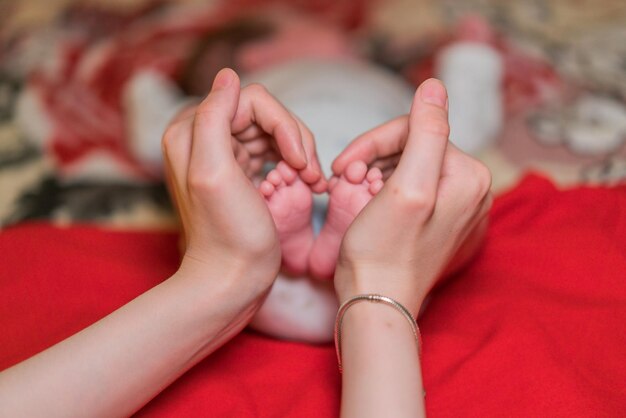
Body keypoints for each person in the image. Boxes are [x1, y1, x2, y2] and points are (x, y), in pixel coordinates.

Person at [0, 68, 491, 417]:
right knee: (448, 192)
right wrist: (471, 57)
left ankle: (303, 251)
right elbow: (470, 109)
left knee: (451, 189)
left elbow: (157, 127)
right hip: (367, 190)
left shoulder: (377, 71)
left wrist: (162, 101)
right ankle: (355, 252)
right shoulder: (257, 78)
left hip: (292, 208)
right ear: (248, 46)